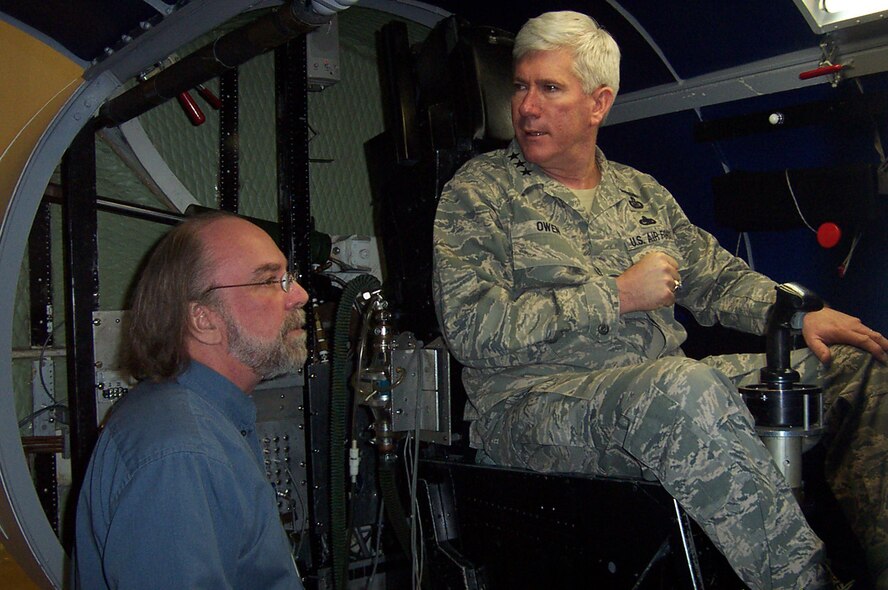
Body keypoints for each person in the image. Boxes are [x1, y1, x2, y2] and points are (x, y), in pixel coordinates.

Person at [432, 10, 888, 590]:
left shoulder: (640, 192)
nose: (525, 106)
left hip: (655, 384)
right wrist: (616, 295)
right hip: (531, 407)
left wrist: (798, 313)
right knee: (682, 387)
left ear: (598, 103)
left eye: (549, 88)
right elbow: (470, 328)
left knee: (857, 367)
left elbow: (716, 279)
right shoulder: (480, 192)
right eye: (520, 86)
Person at [75, 211, 309, 589]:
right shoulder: (182, 453)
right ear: (203, 319)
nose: (299, 295)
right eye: (269, 280)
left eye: (289, 278)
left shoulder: (200, 419)